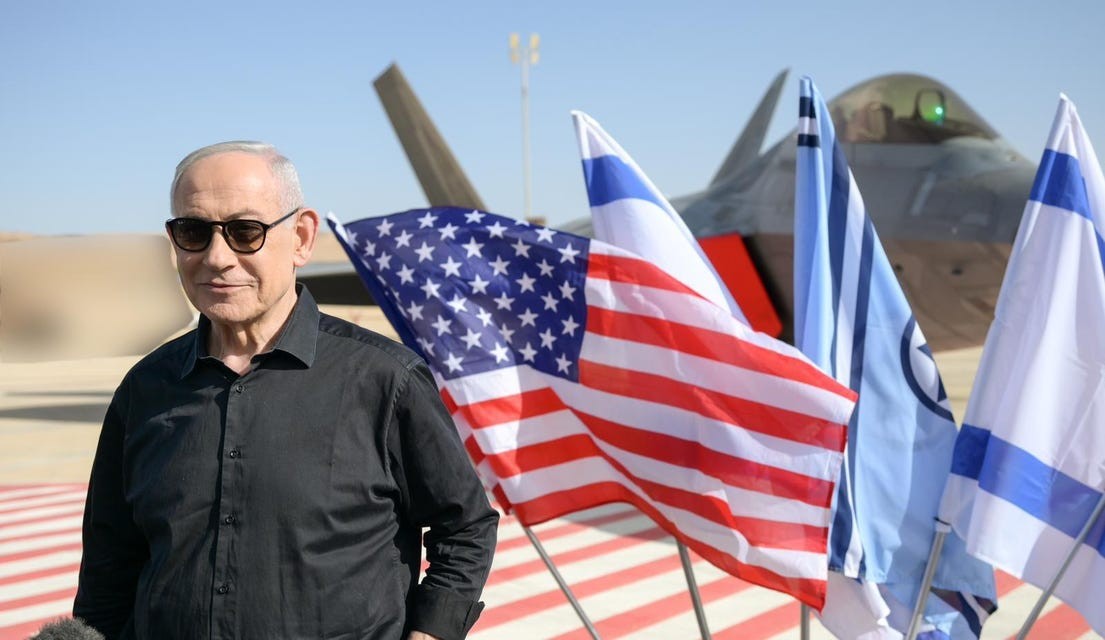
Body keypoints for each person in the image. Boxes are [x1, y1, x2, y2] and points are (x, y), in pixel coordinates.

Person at [74, 141, 498, 640]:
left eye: (245, 232)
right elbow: (109, 561)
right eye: (193, 232)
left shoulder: (386, 379)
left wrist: (431, 632)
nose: (217, 258)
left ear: (301, 237)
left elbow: (465, 525)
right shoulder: (144, 390)